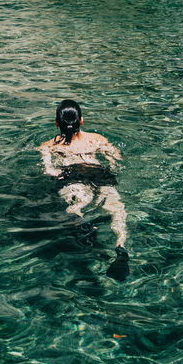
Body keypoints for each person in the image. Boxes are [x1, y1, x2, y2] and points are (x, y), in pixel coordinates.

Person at [39, 99, 129, 278]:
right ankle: (121, 246)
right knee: (116, 208)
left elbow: (49, 170)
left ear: (57, 123)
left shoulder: (48, 146)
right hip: (99, 173)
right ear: (81, 120)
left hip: (72, 174)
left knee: (77, 205)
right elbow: (116, 160)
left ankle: (84, 228)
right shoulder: (97, 139)